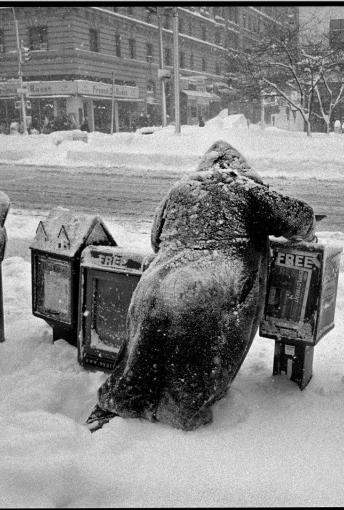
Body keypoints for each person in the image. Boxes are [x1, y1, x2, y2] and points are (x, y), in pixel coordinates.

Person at [90, 140, 316, 431]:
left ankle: (112, 417)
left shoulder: (179, 189)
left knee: (140, 364)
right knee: (191, 374)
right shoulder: (247, 190)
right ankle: (172, 429)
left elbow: (156, 239)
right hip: (209, 290)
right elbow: (301, 218)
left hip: (154, 288)